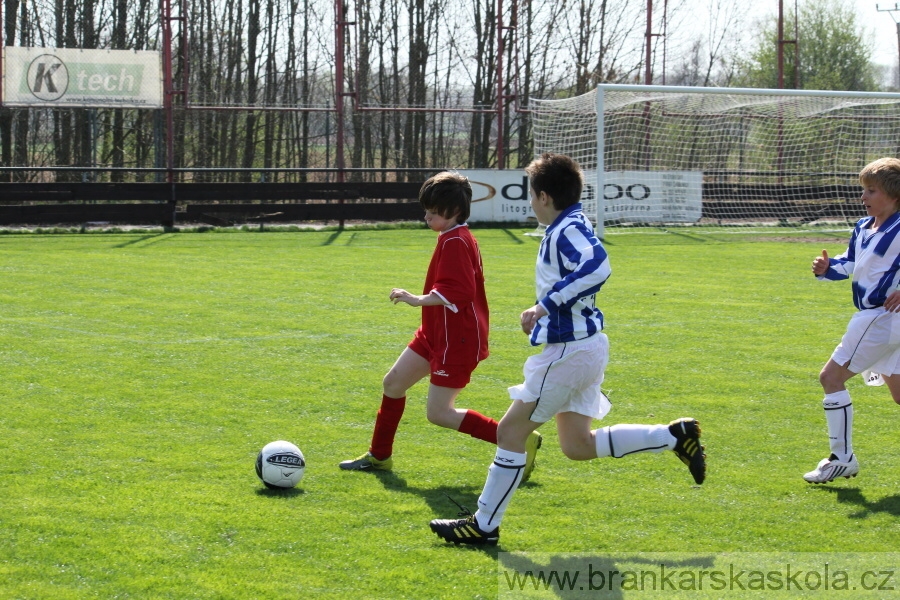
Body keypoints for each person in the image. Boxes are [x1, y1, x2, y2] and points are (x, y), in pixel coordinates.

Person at [428, 153, 706, 546]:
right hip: (587, 349)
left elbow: (598, 265)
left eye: (530, 195)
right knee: (578, 446)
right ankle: (673, 436)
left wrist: (544, 305)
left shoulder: (565, 230)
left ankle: (483, 525)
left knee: (509, 433)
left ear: (543, 196)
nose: (529, 203)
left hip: (567, 352)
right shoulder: (570, 223)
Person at [340, 171, 542, 479]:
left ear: (455, 212)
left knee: (439, 413)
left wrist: (417, 299)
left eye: (432, 213)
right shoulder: (452, 237)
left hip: (456, 341)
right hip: (435, 334)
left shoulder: (457, 242)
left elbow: (460, 293)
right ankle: (380, 456)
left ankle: (519, 438)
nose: (426, 217)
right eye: (426, 211)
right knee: (393, 384)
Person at [804, 157, 900, 484]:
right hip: (885, 321)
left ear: (894, 195)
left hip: (880, 318)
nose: (863, 197)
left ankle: (841, 458)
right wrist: (825, 269)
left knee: (831, 378)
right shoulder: (863, 227)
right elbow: (851, 264)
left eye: (871, 191)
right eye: (863, 190)